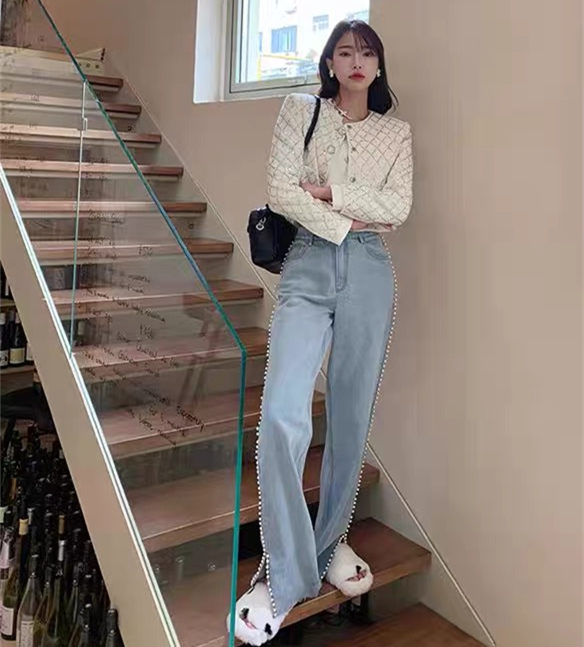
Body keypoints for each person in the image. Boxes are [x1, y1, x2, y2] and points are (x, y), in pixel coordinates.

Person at [227, 19, 414, 646]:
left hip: (371, 271)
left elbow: (399, 207)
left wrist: (331, 191)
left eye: (367, 53)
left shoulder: (395, 132)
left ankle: (329, 542)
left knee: (351, 418)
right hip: (308, 262)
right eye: (345, 51)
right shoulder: (298, 110)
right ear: (329, 62)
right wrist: (348, 216)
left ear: (378, 66)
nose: (357, 61)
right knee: (283, 415)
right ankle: (282, 574)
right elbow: (282, 191)